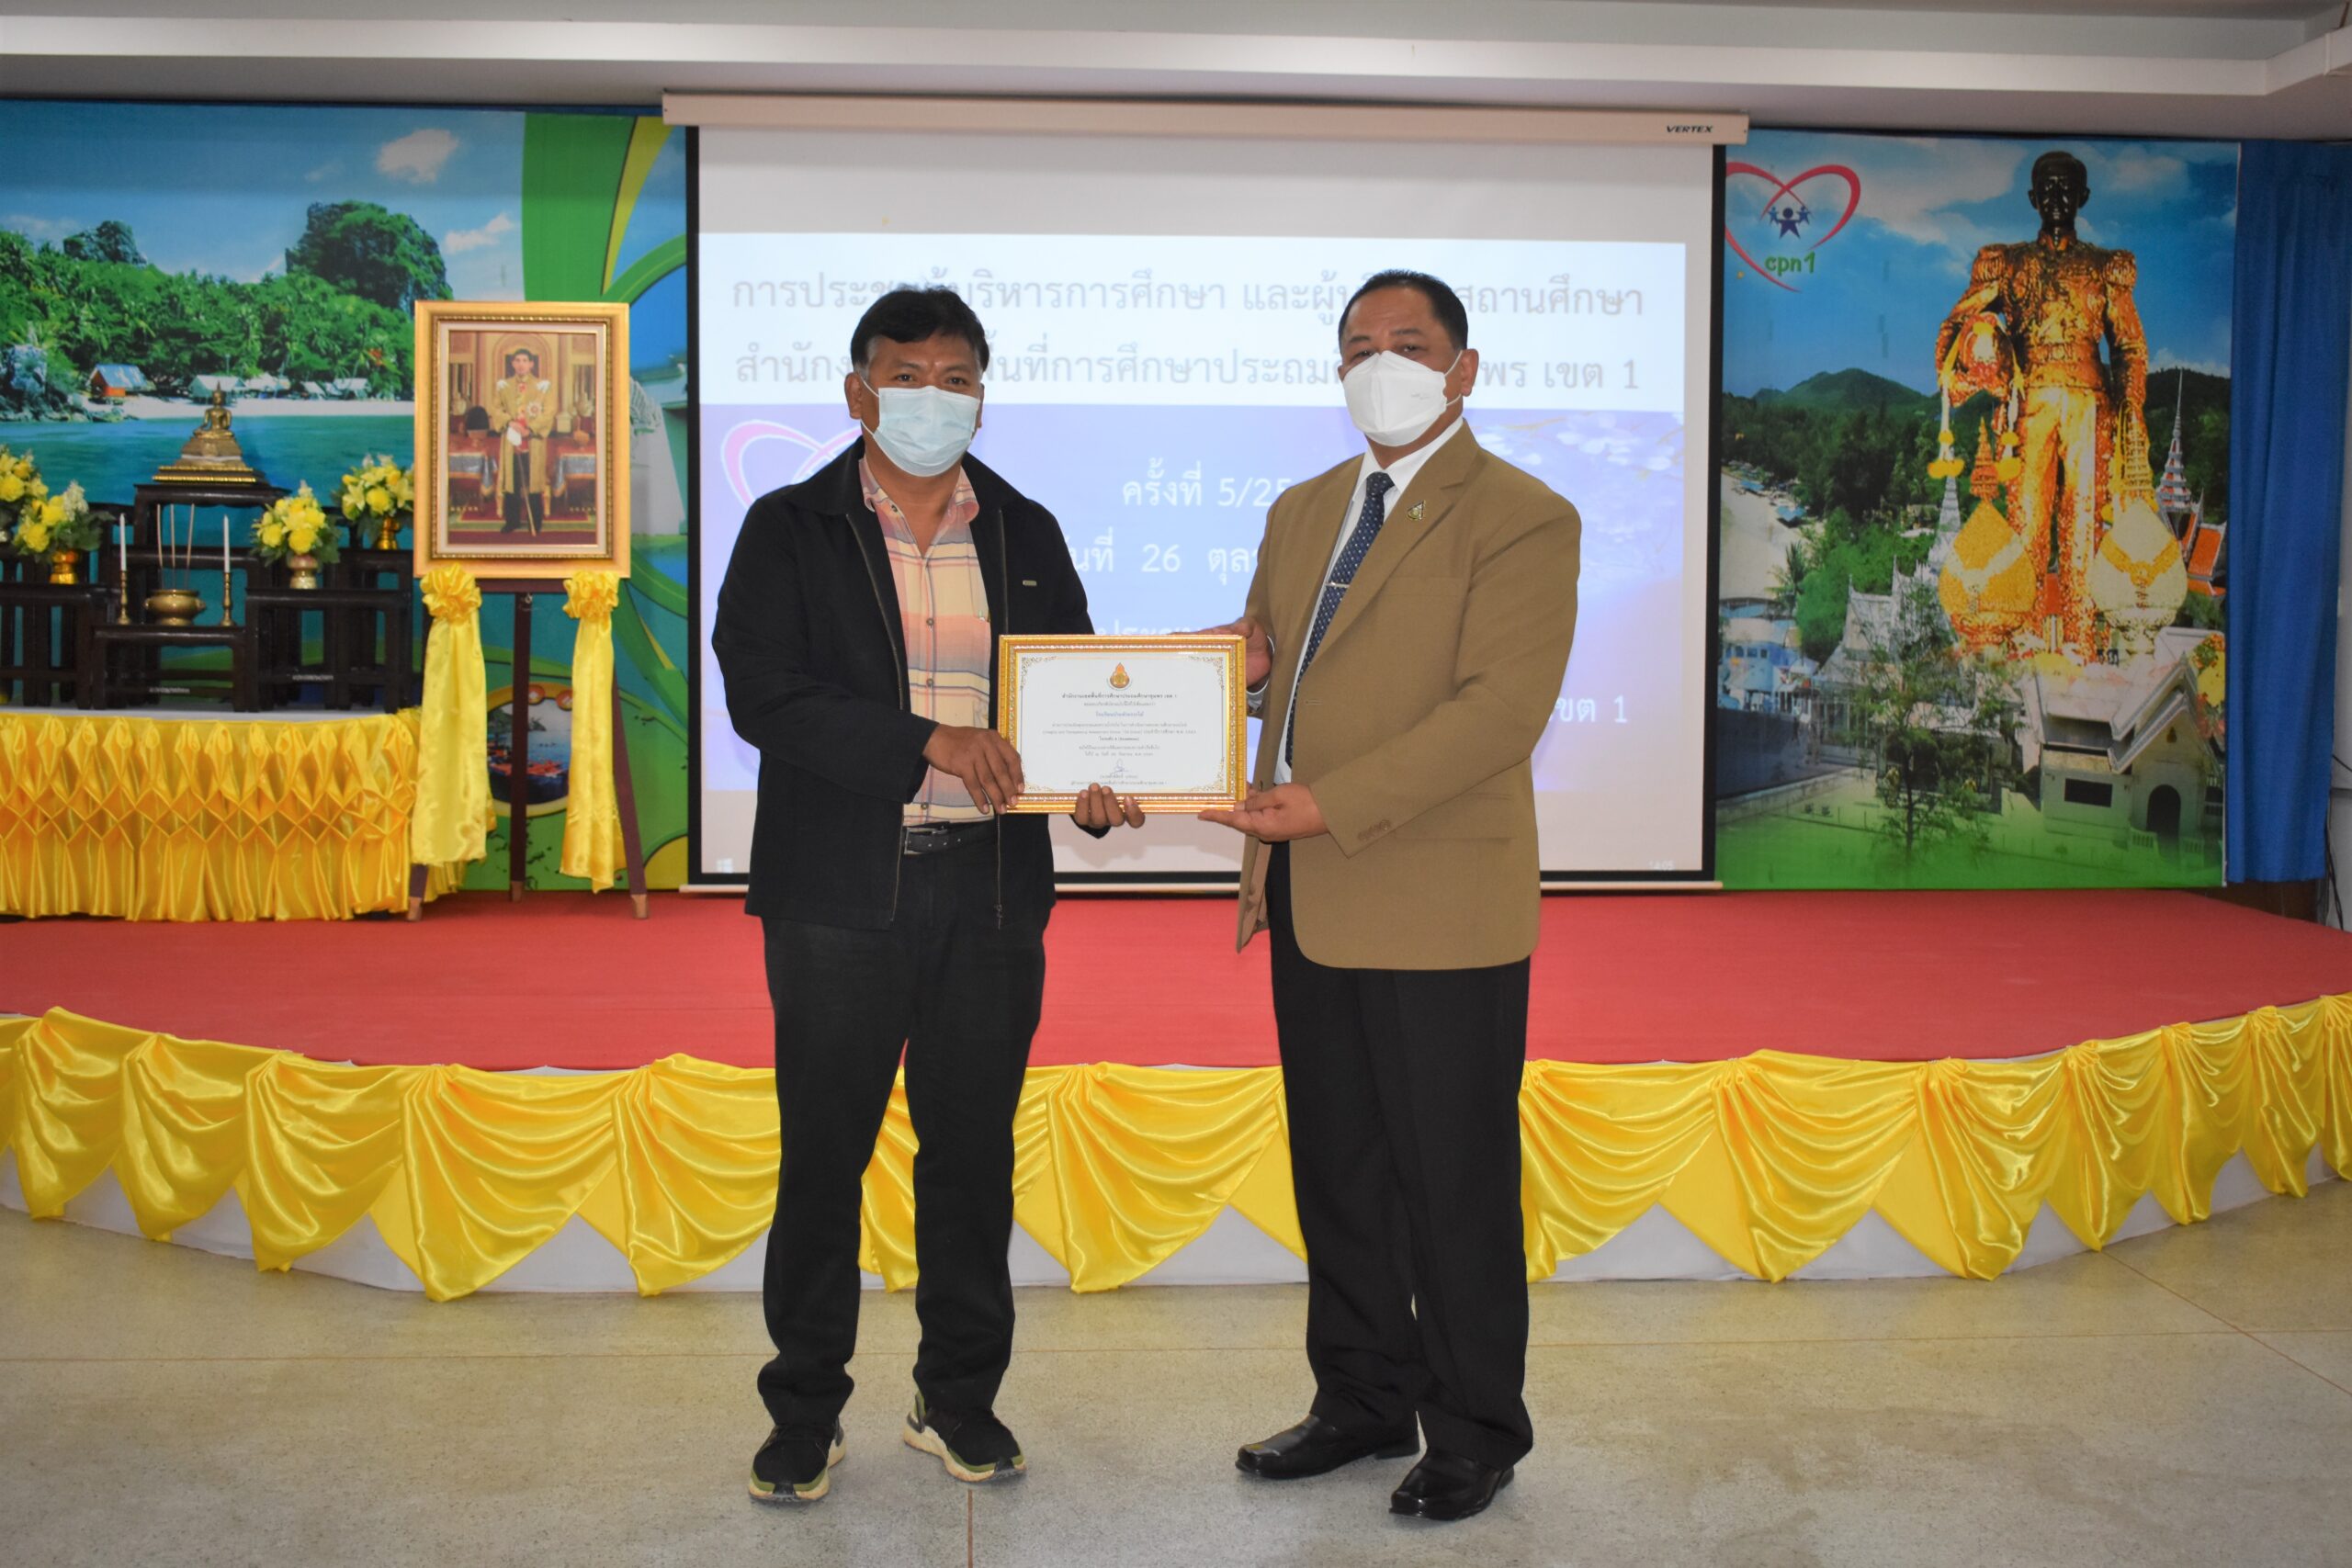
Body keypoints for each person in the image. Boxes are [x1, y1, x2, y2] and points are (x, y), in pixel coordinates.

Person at [712, 286, 1143, 1506]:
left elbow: (1073, 691)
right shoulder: (791, 527)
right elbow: (764, 692)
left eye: (957, 379)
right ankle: (804, 1411)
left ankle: (957, 1398)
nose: (932, 398)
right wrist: (927, 743)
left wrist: (1095, 783)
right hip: (837, 899)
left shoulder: (1024, 529)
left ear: (982, 399)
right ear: (859, 392)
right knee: (824, 1157)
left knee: (970, 1157)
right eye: (907, 376)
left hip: (990, 896)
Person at [1200, 270, 1580, 1524]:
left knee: (1449, 1179)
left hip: (1437, 899)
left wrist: (1326, 801)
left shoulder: (1523, 516)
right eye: (1359, 345)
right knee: (1341, 1170)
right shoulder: (1305, 506)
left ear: (1463, 369)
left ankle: (1475, 1427)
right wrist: (1227, 677)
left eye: (1408, 345)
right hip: (1312, 895)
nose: (1381, 365)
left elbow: (1499, 712)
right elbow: (1281, 660)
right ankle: (1360, 1397)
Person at [1936, 150, 2150, 653]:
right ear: (2033, 198)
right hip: (2028, 402)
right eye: (2047, 188)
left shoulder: (2104, 267)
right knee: (2027, 524)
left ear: (2083, 197)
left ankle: (2082, 645)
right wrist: (1981, 357)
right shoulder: (2008, 263)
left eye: (2065, 188)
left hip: (2089, 403)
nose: (2056, 197)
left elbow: (2129, 347)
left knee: (2084, 526)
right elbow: (1958, 323)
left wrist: (2131, 410)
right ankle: (2023, 640)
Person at [489, 347, 555, 536]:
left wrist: (530, 429)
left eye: (525, 360)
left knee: (534, 482)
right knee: (512, 482)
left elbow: (549, 412)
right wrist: (510, 423)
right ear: (512, 364)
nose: (521, 364)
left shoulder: (543, 386)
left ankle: (536, 520)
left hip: (533, 441)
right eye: (517, 360)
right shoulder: (504, 386)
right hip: (511, 440)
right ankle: (512, 521)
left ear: (531, 364)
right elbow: (496, 409)